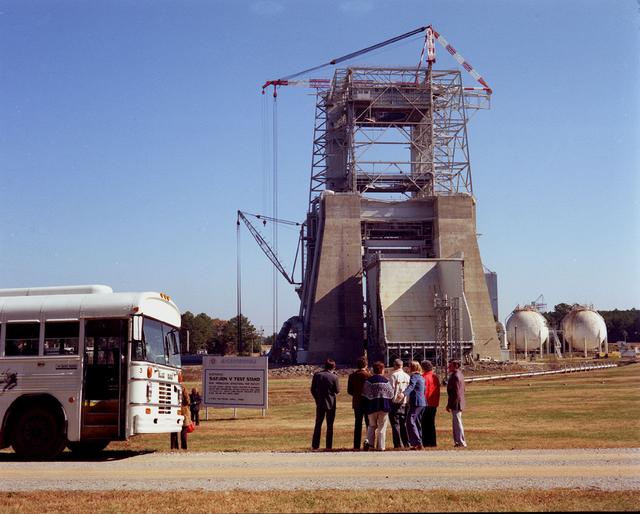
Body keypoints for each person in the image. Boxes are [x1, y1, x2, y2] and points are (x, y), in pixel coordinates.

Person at [361, 361, 394, 451]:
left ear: (373, 370)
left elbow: (364, 394)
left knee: (371, 426)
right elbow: (391, 394)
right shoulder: (386, 381)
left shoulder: (368, 381)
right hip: (384, 407)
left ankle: (370, 445)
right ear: (382, 370)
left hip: (371, 407)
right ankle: (381, 447)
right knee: (382, 428)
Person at [310, 358, 340, 450]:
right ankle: (328, 446)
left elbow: (312, 389)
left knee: (318, 424)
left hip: (320, 403)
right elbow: (337, 391)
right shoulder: (334, 377)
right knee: (330, 425)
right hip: (331, 403)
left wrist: (317, 399)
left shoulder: (317, 375)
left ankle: (315, 445)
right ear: (333, 367)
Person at [400, 360, 426, 450]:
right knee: (417, 423)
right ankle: (418, 443)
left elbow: (411, 386)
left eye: (409, 366)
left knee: (409, 421)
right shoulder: (421, 377)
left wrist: (404, 394)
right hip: (422, 403)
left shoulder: (414, 376)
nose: (408, 368)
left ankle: (417, 443)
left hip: (416, 402)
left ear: (412, 367)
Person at [347, 356, 371, 449]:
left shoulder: (352, 376)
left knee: (358, 424)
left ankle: (356, 445)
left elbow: (349, 391)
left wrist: (356, 394)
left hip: (357, 402)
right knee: (369, 424)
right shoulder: (369, 376)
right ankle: (369, 443)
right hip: (368, 402)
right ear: (366, 365)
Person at [388, 358, 410, 448]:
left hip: (395, 402)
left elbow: (391, 390)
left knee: (395, 424)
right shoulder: (407, 376)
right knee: (403, 424)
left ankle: (397, 444)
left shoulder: (393, 376)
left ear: (394, 365)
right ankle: (406, 442)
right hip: (404, 402)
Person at [446, 359, 467, 448]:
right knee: (456, 422)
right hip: (458, 401)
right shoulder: (459, 374)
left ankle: (461, 442)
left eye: (450, 366)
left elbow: (456, 392)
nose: (448, 367)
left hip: (456, 402)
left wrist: (450, 404)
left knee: (457, 422)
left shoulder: (456, 376)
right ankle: (458, 442)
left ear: (455, 366)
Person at [420, 360, 440, 447]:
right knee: (431, 424)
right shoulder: (435, 377)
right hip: (434, 403)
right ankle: (432, 442)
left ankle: (426, 442)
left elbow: (424, 392)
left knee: (424, 424)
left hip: (425, 403)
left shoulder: (423, 377)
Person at [171, 384, 191, 450]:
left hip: (174, 411)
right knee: (184, 430)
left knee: (174, 430)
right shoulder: (183, 389)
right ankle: (184, 447)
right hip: (184, 412)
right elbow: (187, 401)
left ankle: (174, 447)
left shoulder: (171, 387)